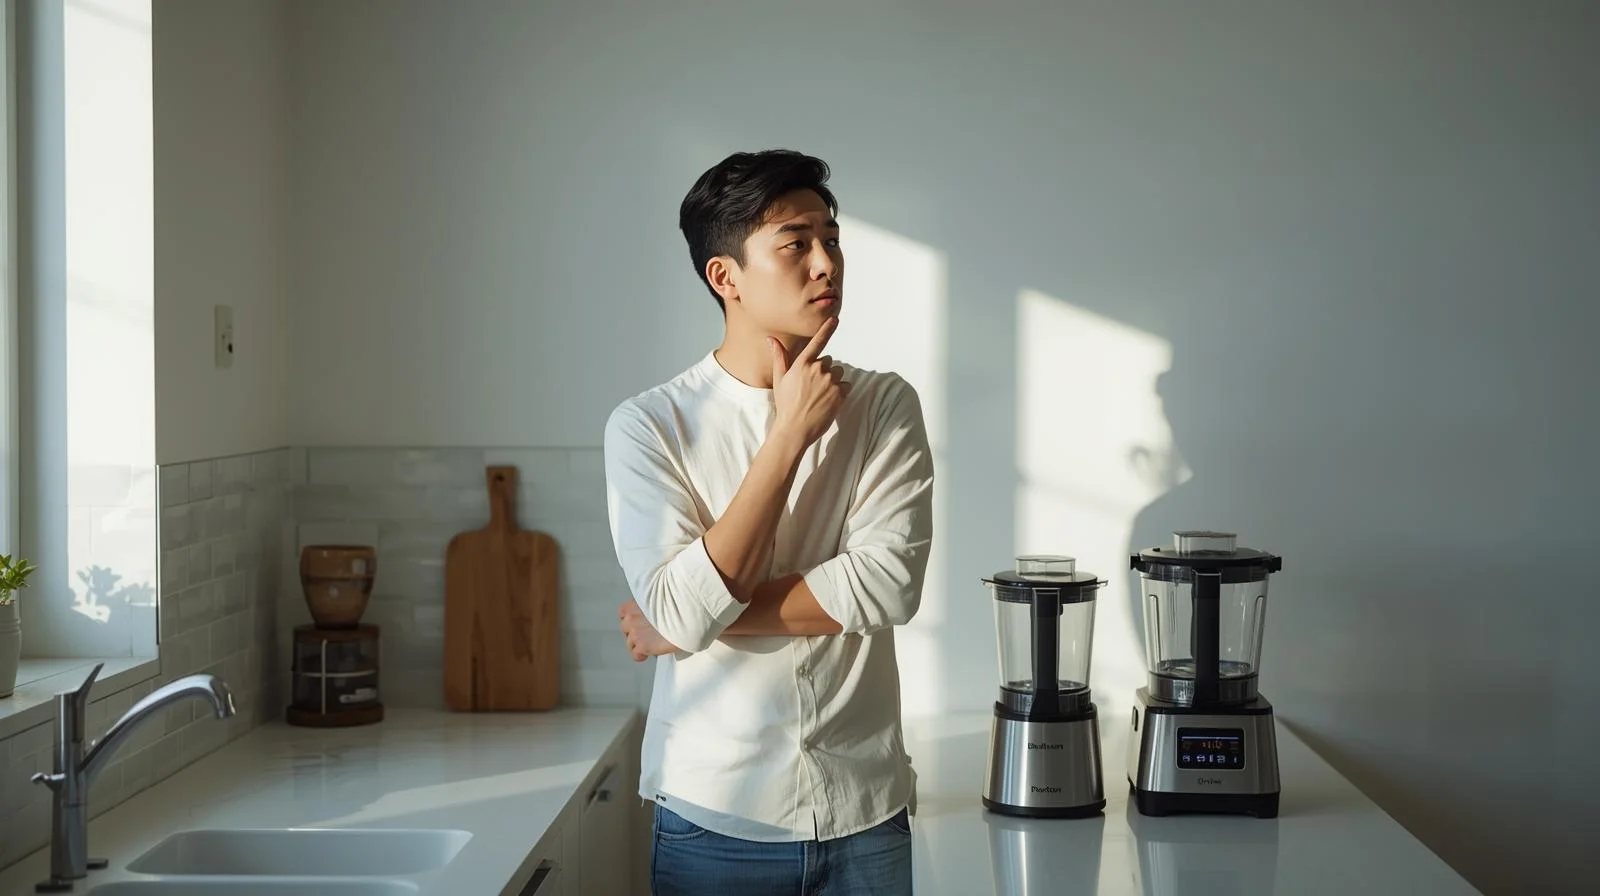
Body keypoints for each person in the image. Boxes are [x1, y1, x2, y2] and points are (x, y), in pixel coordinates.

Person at [602, 149, 935, 895]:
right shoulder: (649, 425)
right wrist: (786, 436)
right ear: (726, 277)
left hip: (867, 810)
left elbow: (887, 586)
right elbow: (680, 609)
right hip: (716, 819)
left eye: (832, 238)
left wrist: (692, 621)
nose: (826, 263)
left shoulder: (883, 404)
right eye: (795, 244)